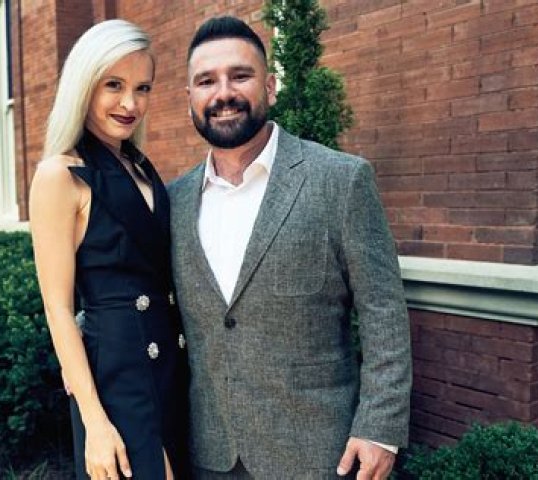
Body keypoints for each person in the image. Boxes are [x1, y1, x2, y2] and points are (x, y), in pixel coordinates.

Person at [169, 16, 412, 479]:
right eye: (206, 81)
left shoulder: (340, 180)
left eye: (240, 75)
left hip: (317, 453)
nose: (224, 93)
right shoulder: (173, 201)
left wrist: (379, 428)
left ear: (270, 86)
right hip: (210, 454)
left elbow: (383, 309)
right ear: (190, 99)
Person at [29, 19, 189, 480]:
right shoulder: (60, 175)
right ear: (84, 85)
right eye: (113, 85)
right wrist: (95, 423)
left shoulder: (141, 167)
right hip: (117, 380)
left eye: (143, 88)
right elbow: (58, 309)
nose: (130, 104)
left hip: (170, 369)